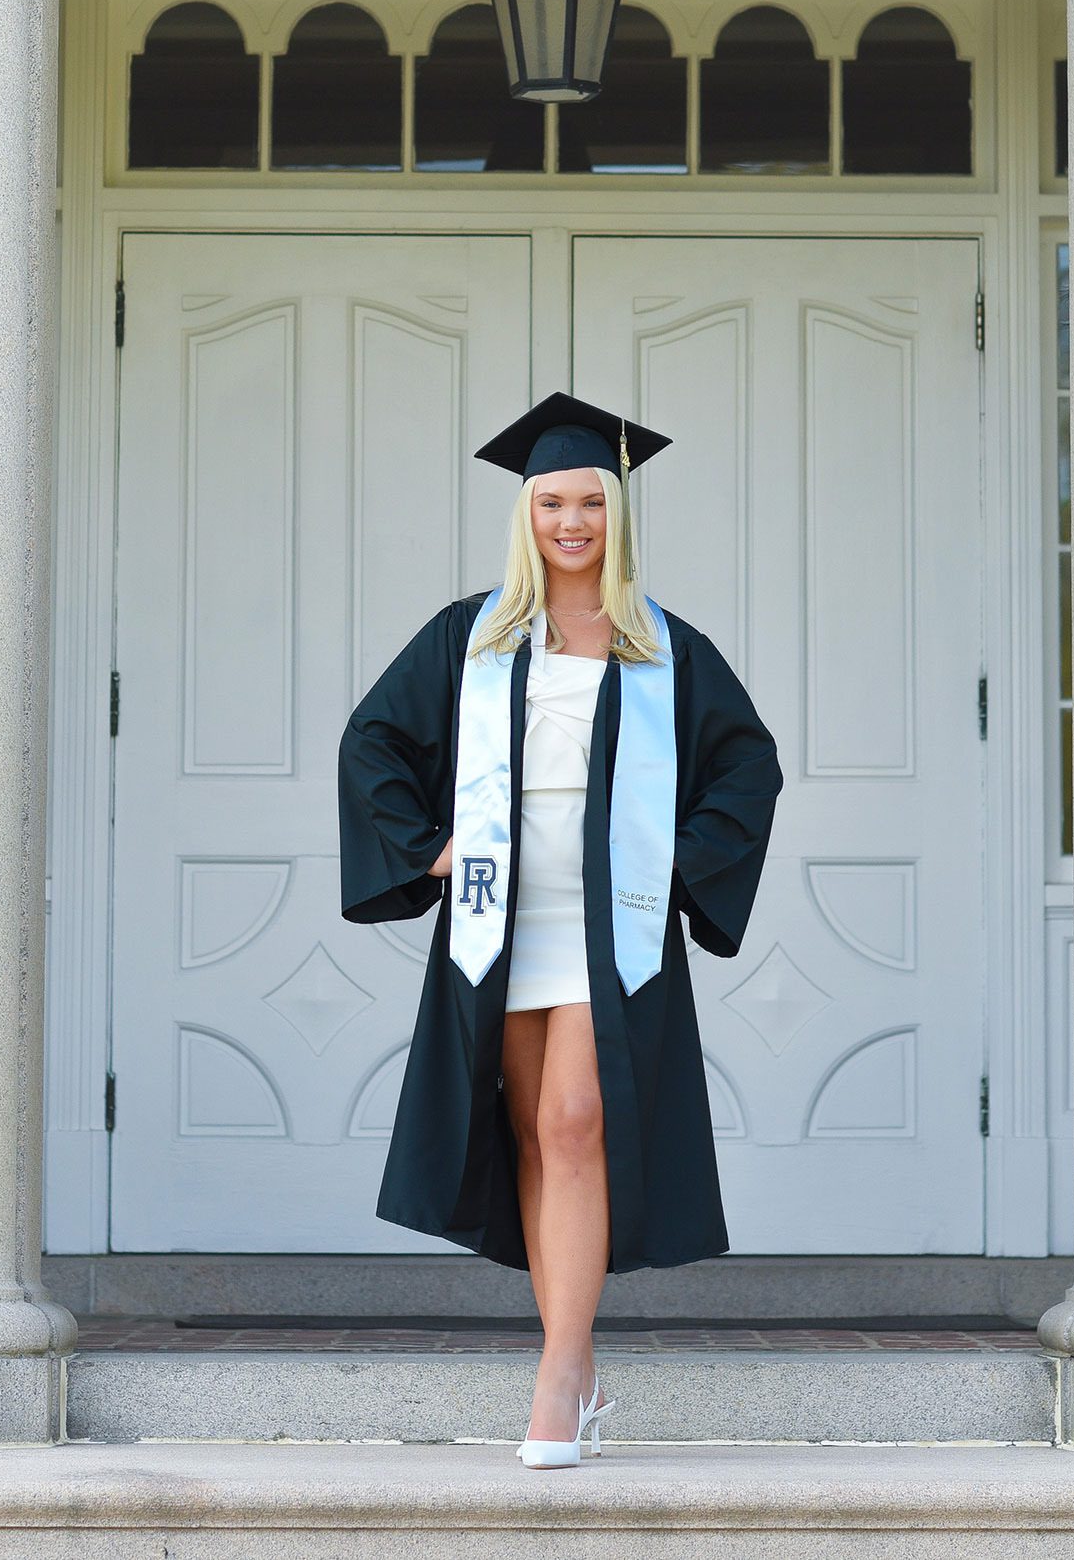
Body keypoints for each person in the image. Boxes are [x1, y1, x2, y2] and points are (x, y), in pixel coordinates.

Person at [338, 391, 782, 1467]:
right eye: (552, 503)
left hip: (607, 917)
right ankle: (574, 1365)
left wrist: (673, 862)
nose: (572, 521)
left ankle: (559, 1371)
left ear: (616, 514)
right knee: (537, 1132)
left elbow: (746, 765)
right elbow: (373, 742)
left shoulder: (661, 647)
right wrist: (431, 851)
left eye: (590, 502)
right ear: (526, 514)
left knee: (579, 1118)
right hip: (503, 911)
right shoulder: (475, 636)